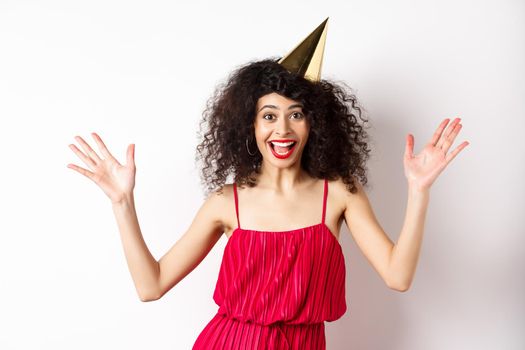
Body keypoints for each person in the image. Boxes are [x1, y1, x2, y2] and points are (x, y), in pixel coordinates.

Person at [67, 19, 468, 350]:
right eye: (270, 116)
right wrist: (122, 202)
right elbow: (150, 285)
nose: (283, 129)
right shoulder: (227, 202)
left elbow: (398, 277)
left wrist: (419, 191)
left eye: (296, 115)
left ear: (315, 123)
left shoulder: (340, 194)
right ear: (252, 125)